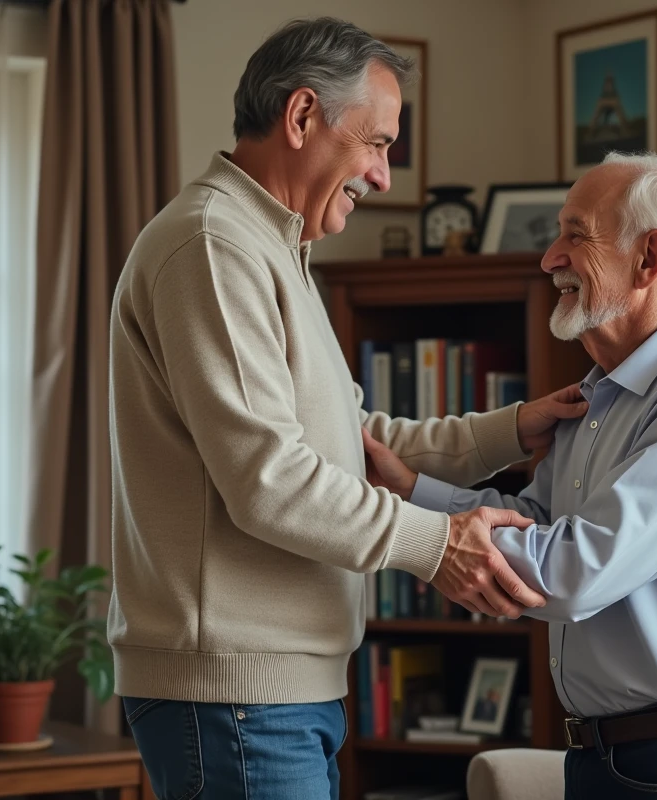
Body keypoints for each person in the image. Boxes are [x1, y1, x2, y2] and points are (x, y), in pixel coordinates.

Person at [107, 18, 585, 800]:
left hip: (278, 691)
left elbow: (356, 445)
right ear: (302, 118)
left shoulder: (274, 249)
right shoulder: (213, 245)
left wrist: (512, 427)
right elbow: (270, 480)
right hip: (236, 693)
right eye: (377, 143)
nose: (385, 176)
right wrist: (438, 544)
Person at [363, 152, 657, 800]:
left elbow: (576, 568)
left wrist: (425, 535)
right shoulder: (598, 396)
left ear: (650, 258)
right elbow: (540, 525)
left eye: (575, 235)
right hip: (607, 758)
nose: (548, 259)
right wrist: (409, 489)